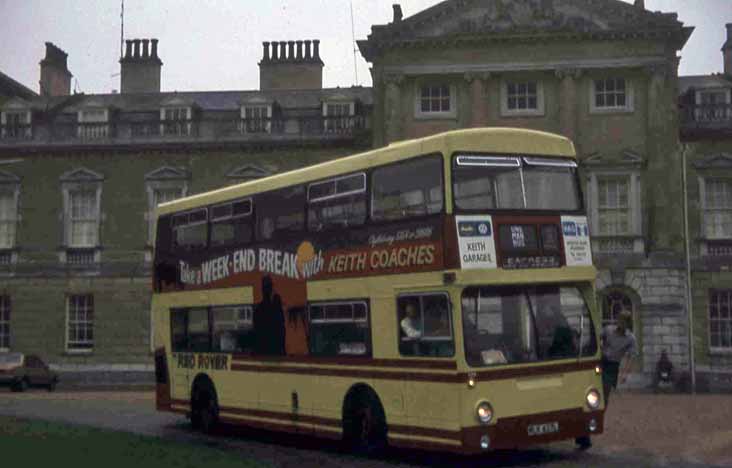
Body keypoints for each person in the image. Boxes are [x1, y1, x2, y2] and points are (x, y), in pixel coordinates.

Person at [601, 311, 637, 405]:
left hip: (612, 365)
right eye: (620, 320)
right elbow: (597, 338)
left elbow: (632, 356)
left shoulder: (630, 338)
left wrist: (625, 373)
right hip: (600, 360)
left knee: (606, 389)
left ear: (628, 323)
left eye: (624, 322)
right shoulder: (608, 329)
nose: (621, 323)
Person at [253, 275, 286, 355]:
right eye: (267, 287)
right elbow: (282, 331)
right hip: (272, 351)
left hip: (265, 351)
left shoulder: (258, 309)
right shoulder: (274, 309)